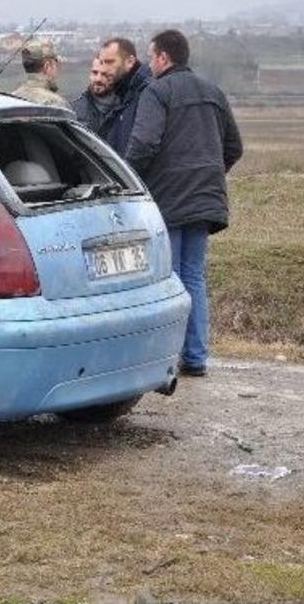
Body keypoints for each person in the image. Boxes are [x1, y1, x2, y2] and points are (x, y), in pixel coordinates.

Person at [126, 30, 243, 377]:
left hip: (169, 199)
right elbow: (234, 147)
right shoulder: (213, 91)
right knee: (193, 276)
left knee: (171, 279)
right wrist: (209, 175)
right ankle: (195, 358)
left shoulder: (157, 91)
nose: (149, 63)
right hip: (205, 199)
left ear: (163, 57)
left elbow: (143, 144)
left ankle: (166, 359)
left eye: (151, 56)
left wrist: (127, 180)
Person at [98, 37, 151, 154]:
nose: (104, 69)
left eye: (110, 62)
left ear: (130, 61)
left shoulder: (148, 93)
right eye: (102, 63)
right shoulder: (120, 95)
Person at [11, 40, 73, 111]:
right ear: (47, 66)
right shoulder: (55, 103)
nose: (57, 70)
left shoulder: (12, 98)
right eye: (56, 64)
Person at [71, 57, 119, 136]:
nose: (98, 79)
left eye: (104, 74)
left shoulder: (125, 110)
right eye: (95, 72)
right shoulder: (75, 111)